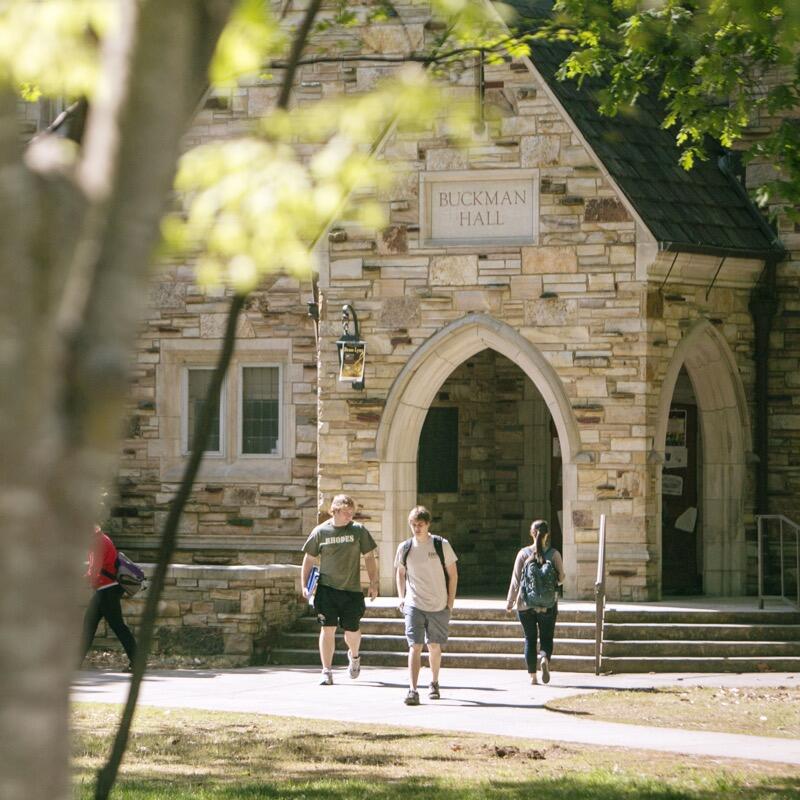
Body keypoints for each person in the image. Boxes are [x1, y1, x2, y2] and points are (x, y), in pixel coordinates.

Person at [301, 494, 379, 685]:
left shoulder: (359, 531)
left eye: (352, 513)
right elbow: (309, 559)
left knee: (352, 630)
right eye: (346, 513)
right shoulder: (320, 532)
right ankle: (326, 671)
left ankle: (354, 656)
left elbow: (369, 557)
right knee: (327, 629)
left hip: (351, 590)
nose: (349, 516)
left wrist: (374, 583)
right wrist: (304, 585)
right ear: (334, 511)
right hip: (327, 590)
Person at [394, 505, 458, 706]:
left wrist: (450, 602)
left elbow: (453, 574)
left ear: (428, 524)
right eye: (413, 525)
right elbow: (400, 572)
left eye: (420, 524)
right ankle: (412, 690)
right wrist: (401, 597)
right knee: (414, 646)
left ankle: (434, 681)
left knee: (434, 646)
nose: (416, 528)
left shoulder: (441, 545)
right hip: (414, 604)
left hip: (438, 604)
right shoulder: (405, 548)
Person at [506, 519, 565, 685]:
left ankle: (532, 676)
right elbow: (561, 579)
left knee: (529, 639)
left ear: (531, 533)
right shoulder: (554, 555)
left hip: (525, 605)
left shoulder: (523, 554)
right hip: (548, 605)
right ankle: (545, 658)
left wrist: (510, 602)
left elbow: (516, 580)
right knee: (546, 637)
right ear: (547, 535)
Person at [80, 525, 137, 671]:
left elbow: (95, 569)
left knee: (118, 626)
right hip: (104, 590)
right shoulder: (102, 539)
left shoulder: (98, 543)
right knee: (89, 624)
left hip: (107, 590)